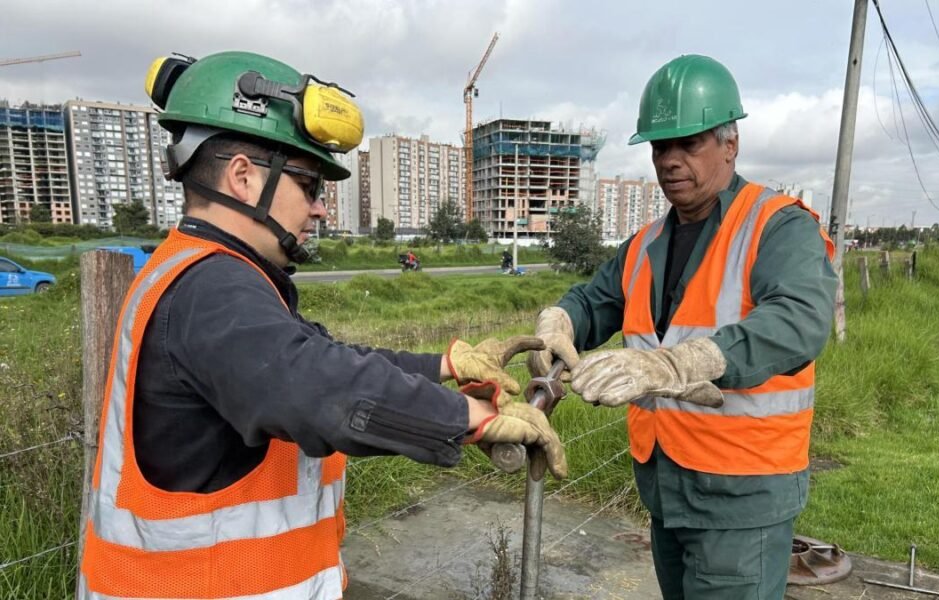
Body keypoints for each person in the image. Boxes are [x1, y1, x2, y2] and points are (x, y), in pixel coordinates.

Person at [78, 51, 567, 600]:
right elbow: (316, 385)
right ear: (243, 178)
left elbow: (317, 355)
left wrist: (446, 365)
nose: (320, 211)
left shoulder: (216, 276)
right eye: (310, 186)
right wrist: (470, 418)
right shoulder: (210, 290)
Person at [528, 54, 837, 600]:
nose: (670, 160)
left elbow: (798, 320)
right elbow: (596, 299)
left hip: (743, 494)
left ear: (730, 143)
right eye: (659, 146)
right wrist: (560, 322)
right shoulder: (648, 242)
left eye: (688, 143)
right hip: (667, 486)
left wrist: (678, 363)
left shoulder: (777, 226)